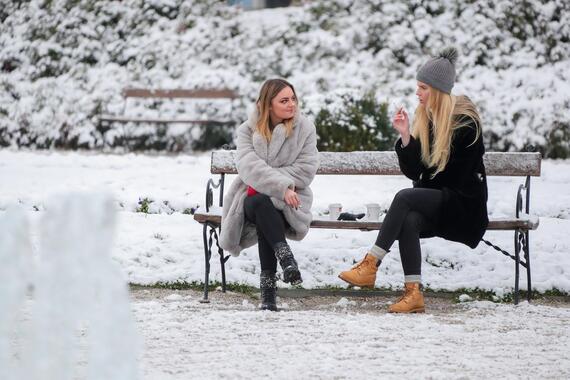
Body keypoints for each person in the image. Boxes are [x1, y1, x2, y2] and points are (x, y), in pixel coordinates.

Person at [338, 47, 488, 313]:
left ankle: (371, 264)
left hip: (462, 207)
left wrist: (423, 184)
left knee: (405, 197)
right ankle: (413, 293)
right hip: (439, 204)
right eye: (417, 87)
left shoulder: (466, 124)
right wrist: (406, 136)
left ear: (438, 90)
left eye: (423, 88)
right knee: (408, 219)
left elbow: (451, 178)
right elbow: (417, 173)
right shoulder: (428, 119)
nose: (417, 93)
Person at [219, 78, 319, 311]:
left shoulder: (304, 128)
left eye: (293, 98)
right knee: (260, 202)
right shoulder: (247, 130)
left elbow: (306, 169)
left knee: (267, 209)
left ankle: (269, 295)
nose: (291, 104)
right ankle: (286, 259)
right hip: (251, 200)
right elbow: (247, 166)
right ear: (268, 104)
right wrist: (280, 185)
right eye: (284, 100)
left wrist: (276, 186)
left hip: (293, 202)